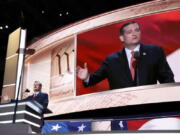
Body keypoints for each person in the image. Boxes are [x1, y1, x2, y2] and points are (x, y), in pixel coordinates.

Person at [77, 21, 175, 90]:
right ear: (121, 38)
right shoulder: (111, 60)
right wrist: (86, 77)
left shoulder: (155, 51)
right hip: (123, 111)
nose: (134, 33)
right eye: (129, 32)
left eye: (137, 30)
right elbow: (93, 79)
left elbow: (167, 79)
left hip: (150, 107)